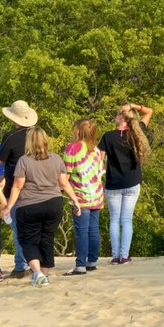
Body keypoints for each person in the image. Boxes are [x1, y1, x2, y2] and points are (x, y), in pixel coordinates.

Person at [0, 127, 82, 288]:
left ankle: (37, 272)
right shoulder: (57, 159)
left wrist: (8, 207)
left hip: (29, 205)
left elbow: (17, 186)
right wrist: (75, 200)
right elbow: (64, 183)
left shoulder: (24, 160)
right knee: (47, 238)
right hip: (53, 203)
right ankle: (44, 275)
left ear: (29, 142)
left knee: (28, 240)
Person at [99, 102, 153, 265]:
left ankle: (116, 257)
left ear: (121, 117)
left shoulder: (108, 136)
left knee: (114, 220)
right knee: (126, 219)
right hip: (132, 182)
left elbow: (99, 161)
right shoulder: (137, 132)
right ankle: (124, 255)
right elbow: (149, 111)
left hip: (113, 184)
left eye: (117, 114)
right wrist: (132, 106)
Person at [0, 100, 38, 279]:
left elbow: (0, 158)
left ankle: (20, 265)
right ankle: (36, 261)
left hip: (15, 186)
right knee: (35, 228)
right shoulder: (37, 135)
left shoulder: (11, 136)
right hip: (37, 185)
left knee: (18, 227)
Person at [63, 118, 105, 275]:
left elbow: (65, 174)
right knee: (93, 229)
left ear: (78, 130)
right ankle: (92, 261)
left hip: (80, 195)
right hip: (96, 194)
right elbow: (100, 171)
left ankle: (80, 264)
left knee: (81, 230)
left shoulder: (73, 148)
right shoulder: (95, 149)